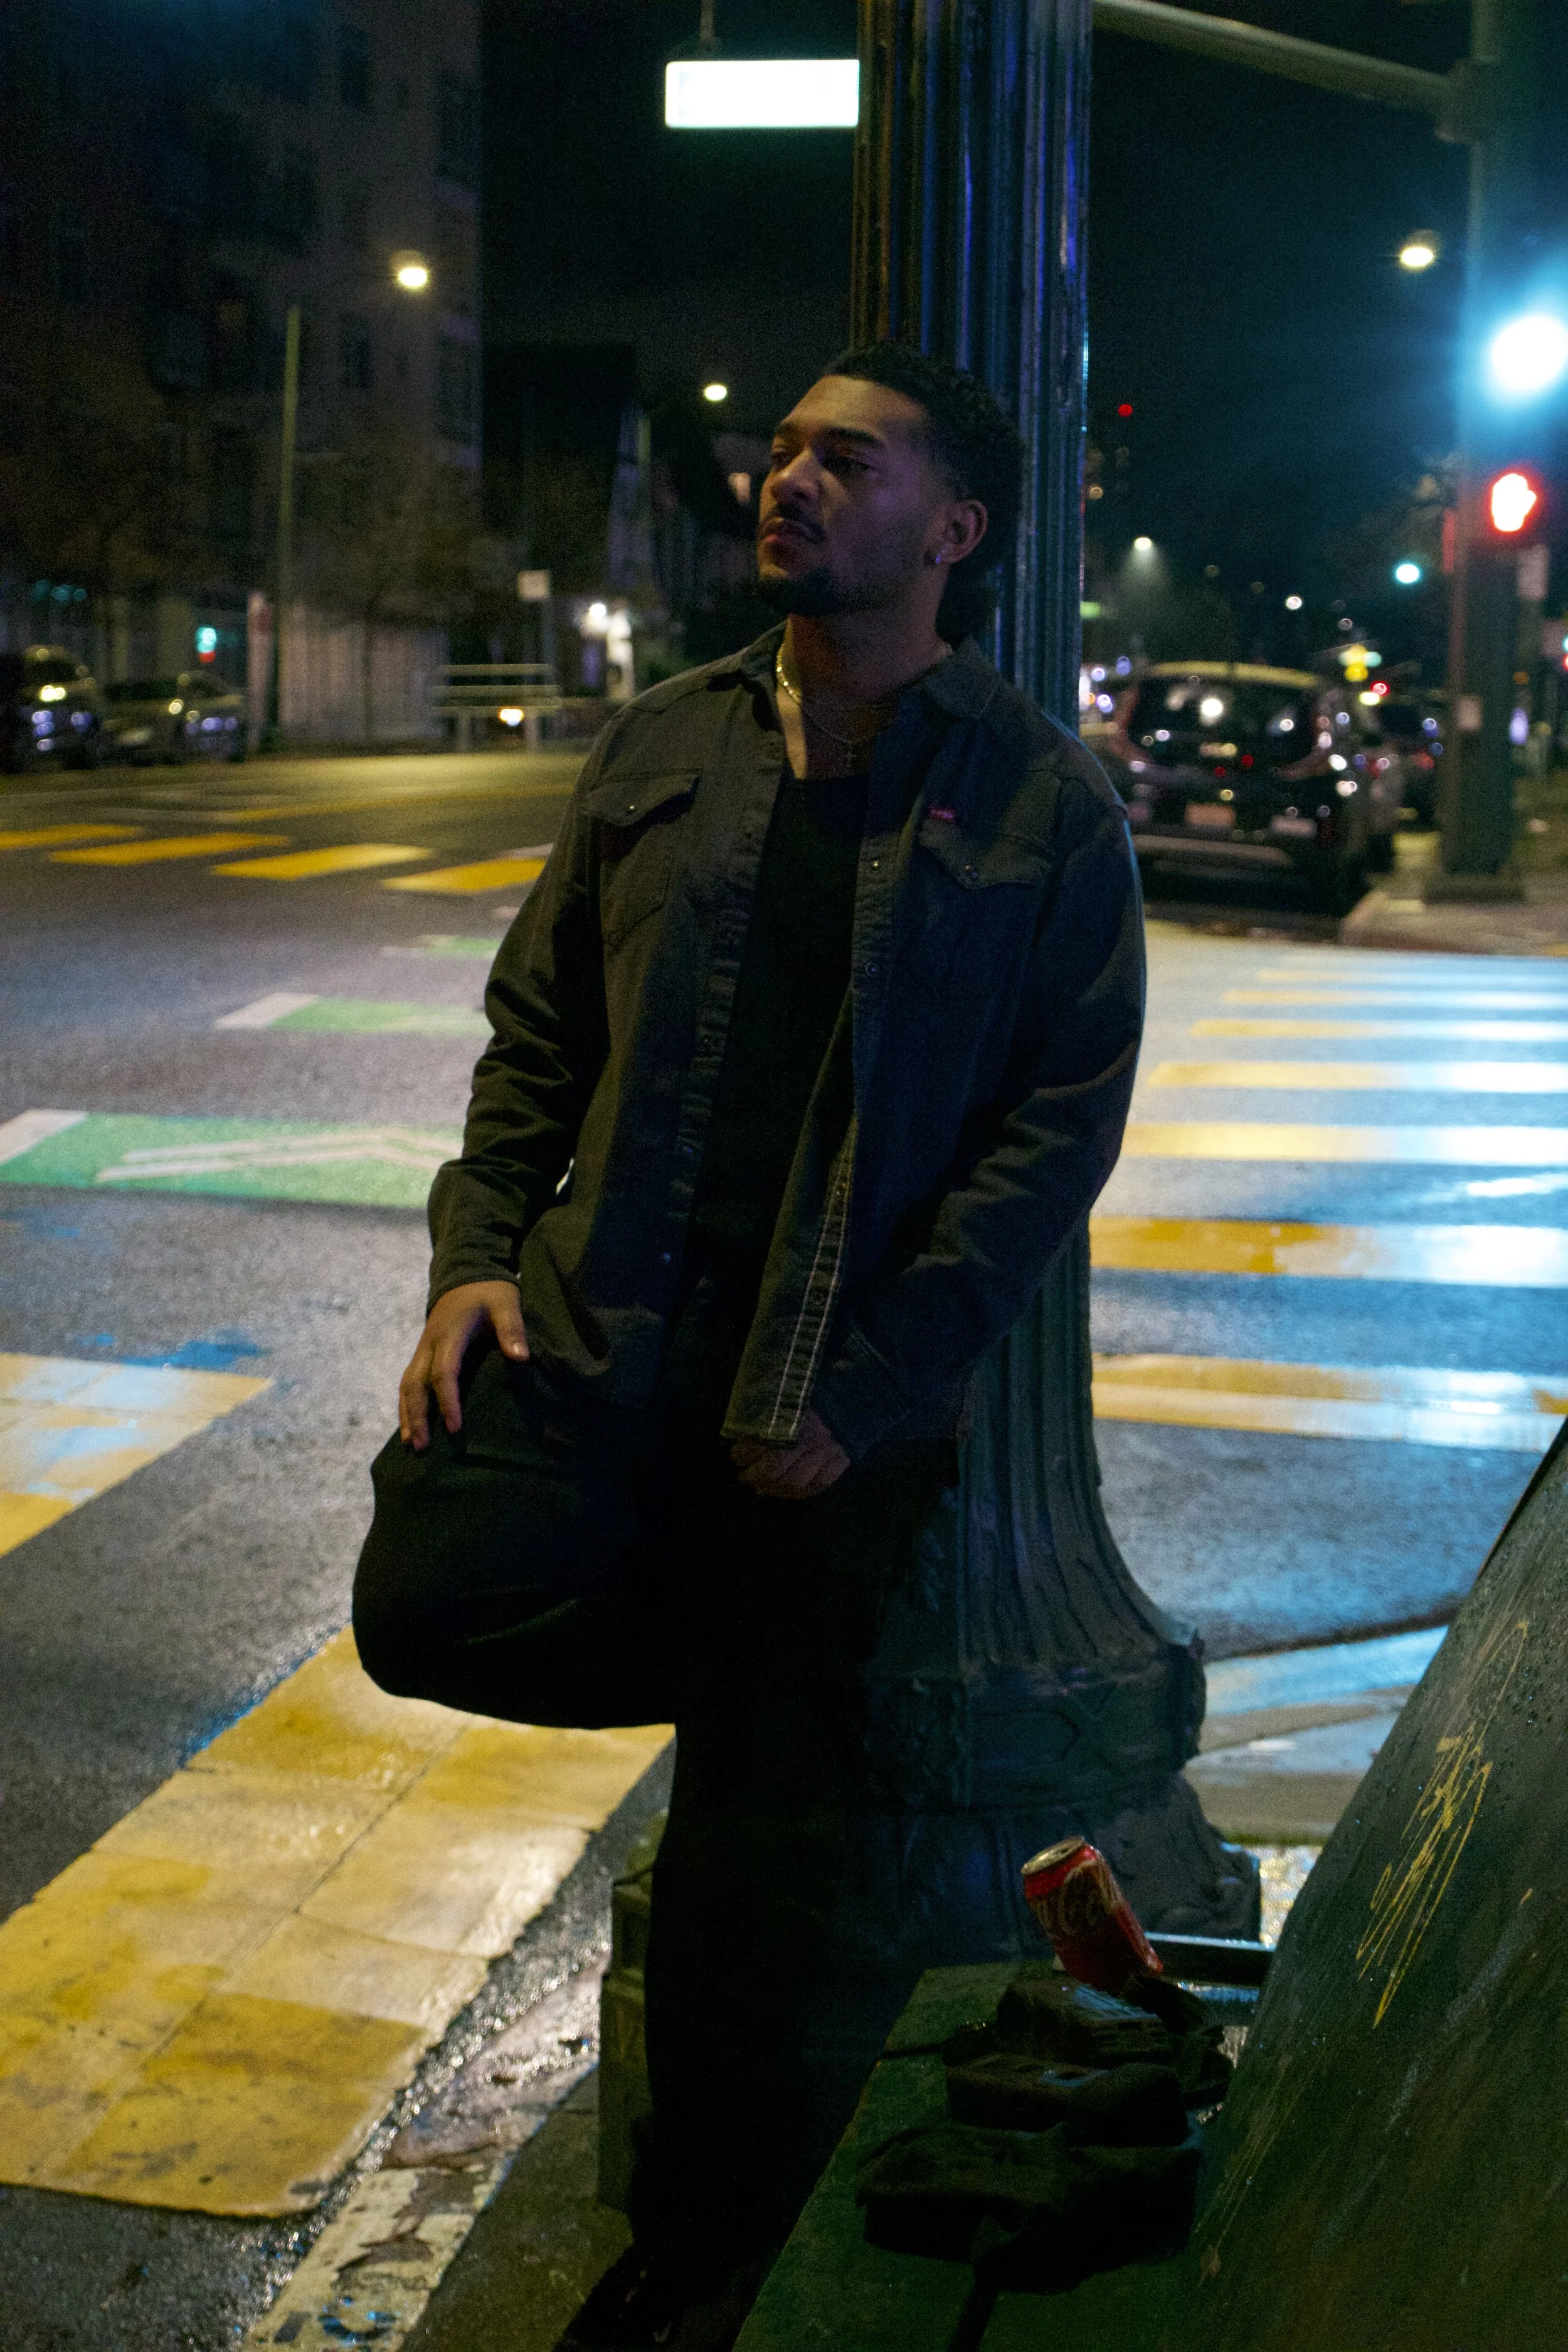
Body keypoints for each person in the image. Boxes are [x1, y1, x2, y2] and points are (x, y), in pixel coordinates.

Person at [352, 341, 1144, 2349]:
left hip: (825, 1414)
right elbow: (535, 1039)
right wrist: (471, 1251)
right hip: (599, 1347)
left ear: (950, 530)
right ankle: (761, 1668)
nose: (785, 480)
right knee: (418, 1598)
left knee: (748, 1896)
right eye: (784, 449)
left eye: (844, 460)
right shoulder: (662, 746)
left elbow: (1051, 1142)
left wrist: (871, 1395)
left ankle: (691, 2270)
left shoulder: (1038, 802)